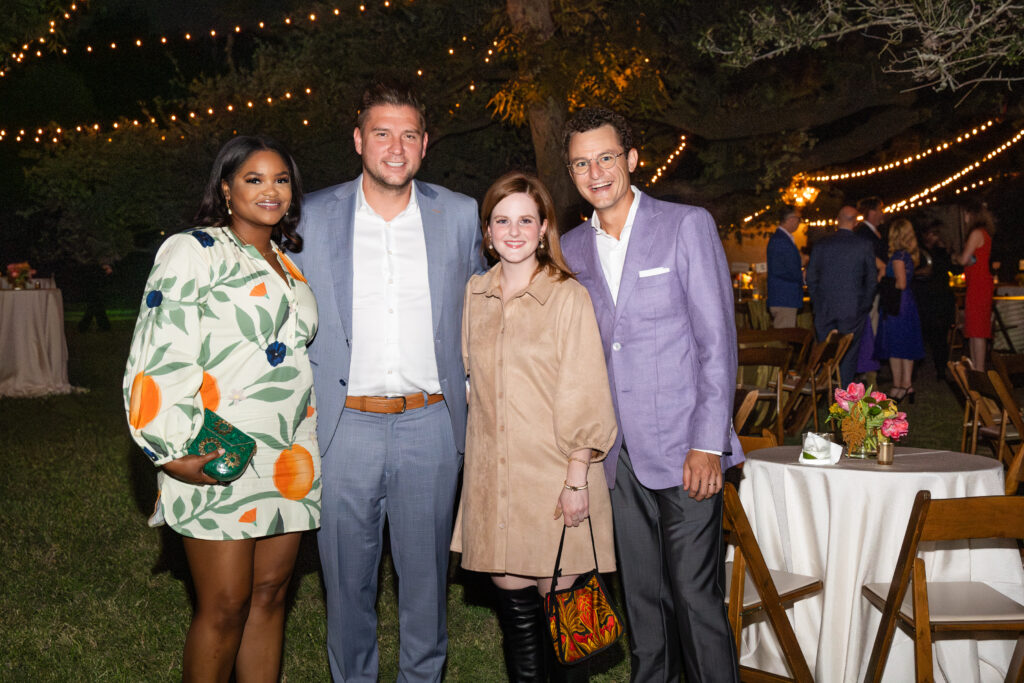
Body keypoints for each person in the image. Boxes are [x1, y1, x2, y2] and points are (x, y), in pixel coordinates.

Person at [291, 81, 483, 682]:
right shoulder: (310, 215)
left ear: (424, 144)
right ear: (358, 140)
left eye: (408, 135)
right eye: (382, 133)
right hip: (344, 425)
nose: (395, 148)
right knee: (346, 582)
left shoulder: (460, 214)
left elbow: (483, 308)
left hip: (431, 422)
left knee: (426, 583)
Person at [123, 135, 320, 681]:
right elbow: (157, 353)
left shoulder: (286, 262)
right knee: (226, 605)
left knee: (270, 594)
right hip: (218, 447)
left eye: (281, 179)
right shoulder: (193, 250)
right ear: (227, 189)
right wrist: (168, 451)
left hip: (289, 453)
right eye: (254, 179)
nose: (270, 190)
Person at [559, 106, 742, 683]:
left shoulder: (686, 225)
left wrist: (708, 443)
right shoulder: (569, 249)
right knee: (642, 604)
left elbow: (717, 342)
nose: (596, 173)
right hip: (616, 459)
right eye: (581, 163)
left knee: (695, 598)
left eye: (606, 157)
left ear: (632, 159)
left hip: (687, 449)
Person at [453, 172, 618, 682]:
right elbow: (470, 380)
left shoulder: (568, 296)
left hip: (556, 478)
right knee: (519, 626)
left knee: (567, 629)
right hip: (498, 481)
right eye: (502, 220)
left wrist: (577, 480)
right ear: (487, 231)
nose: (514, 231)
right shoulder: (475, 293)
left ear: (544, 228)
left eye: (526, 220)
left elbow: (586, 390)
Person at [806, 205, 878, 386]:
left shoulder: (821, 244)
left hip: (825, 309)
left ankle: (822, 390)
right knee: (848, 355)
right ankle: (843, 393)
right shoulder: (864, 245)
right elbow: (871, 280)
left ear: (837, 220)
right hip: (852, 309)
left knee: (824, 353)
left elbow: (811, 277)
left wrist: (817, 302)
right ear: (855, 222)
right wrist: (864, 305)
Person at [874, 218, 926, 402]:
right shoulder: (907, 255)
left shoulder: (898, 256)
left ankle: (902, 385)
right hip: (905, 302)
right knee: (902, 344)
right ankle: (904, 385)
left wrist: (883, 279)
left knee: (897, 343)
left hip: (897, 302)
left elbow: (901, 283)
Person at [912, 221, 958, 380]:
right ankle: (913, 371)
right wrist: (920, 272)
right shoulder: (918, 252)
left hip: (941, 298)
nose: (935, 237)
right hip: (924, 299)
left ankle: (941, 370)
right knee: (921, 335)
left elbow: (954, 269)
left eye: (937, 234)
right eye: (932, 234)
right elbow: (910, 273)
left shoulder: (942, 251)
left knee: (940, 337)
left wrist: (951, 253)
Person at [957, 200, 996, 370]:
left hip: (978, 285)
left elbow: (964, 259)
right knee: (974, 329)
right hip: (979, 284)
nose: (964, 217)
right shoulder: (984, 233)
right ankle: (976, 371)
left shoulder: (976, 233)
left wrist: (956, 257)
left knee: (977, 330)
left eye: (966, 213)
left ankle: (979, 371)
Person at [766, 205, 805, 328]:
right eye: (799, 219)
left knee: (786, 334)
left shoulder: (783, 238)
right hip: (784, 297)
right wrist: (802, 276)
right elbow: (780, 269)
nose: (799, 222)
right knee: (783, 336)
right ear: (791, 219)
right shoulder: (780, 240)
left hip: (785, 297)